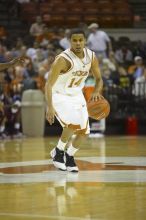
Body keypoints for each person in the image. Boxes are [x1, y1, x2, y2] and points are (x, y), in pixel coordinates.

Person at [45, 29, 103, 172]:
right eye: (74, 40)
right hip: (60, 94)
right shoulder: (63, 60)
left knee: (84, 132)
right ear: (70, 42)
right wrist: (50, 107)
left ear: (85, 41)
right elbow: (48, 84)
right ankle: (58, 152)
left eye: (80, 40)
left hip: (77, 95)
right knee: (71, 124)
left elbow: (99, 79)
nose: (78, 43)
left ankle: (69, 155)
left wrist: (96, 91)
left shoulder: (91, 56)